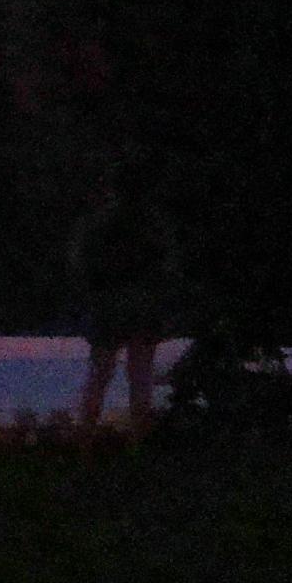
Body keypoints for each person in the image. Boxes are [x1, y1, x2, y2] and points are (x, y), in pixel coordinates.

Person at [70, 159, 182, 434]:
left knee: (101, 374)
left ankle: (85, 441)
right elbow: (168, 265)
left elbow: (80, 263)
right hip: (139, 304)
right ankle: (136, 444)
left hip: (112, 305)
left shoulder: (101, 223)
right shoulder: (151, 225)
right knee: (138, 377)